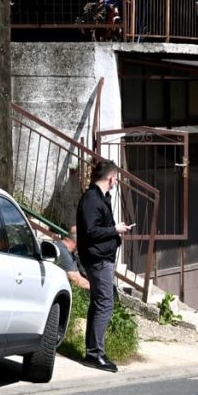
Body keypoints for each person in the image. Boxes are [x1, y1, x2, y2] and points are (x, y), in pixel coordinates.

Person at [77, 160, 133, 373]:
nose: (116, 182)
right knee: (105, 303)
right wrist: (115, 230)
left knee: (100, 302)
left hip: (102, 257)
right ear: (111, 178)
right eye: (116, 178)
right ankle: (94, 354)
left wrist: (114, 230)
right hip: (98, 259)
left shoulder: (100, 198)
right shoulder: (92, 199)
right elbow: (91, 231)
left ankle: (93, 351)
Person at [53, 225, 90, 291]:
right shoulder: (62, 251)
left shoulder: (70, 252)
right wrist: (95, 287)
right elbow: (75, 279)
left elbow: (77, 275)